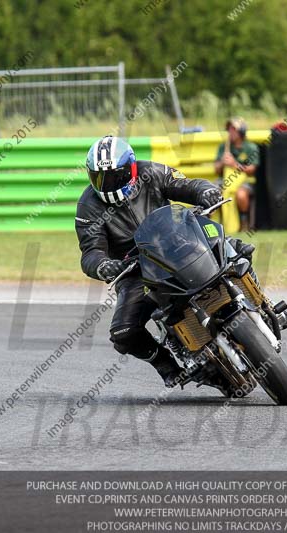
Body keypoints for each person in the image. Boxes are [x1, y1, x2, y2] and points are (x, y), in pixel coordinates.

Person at [75, 135, 253, 387]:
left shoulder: (151, 172)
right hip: (136, 269)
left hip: (179, 243)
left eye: (114, 176)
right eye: (99, 177)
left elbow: (185, 185)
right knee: (123, 333)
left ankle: (259, 301)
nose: (107, 183)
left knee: (235, 247)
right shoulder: (88, 207)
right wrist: (105, 265)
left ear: (131, 169)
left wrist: (206, 191)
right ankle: (166, 364)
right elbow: (90, 252)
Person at [214, 118, 259, 231]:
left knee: (241, 195)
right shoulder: (224, 147)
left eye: (233, 129)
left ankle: (243, 223)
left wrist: (234, 164)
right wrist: (222, 163)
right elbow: (217, 170)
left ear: (241, 131)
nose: (230, 132)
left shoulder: (251, 147)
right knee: (211, 192)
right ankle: (215, 225)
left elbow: (251, 170)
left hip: (245, 181)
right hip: (225, 180)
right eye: (229, 129)